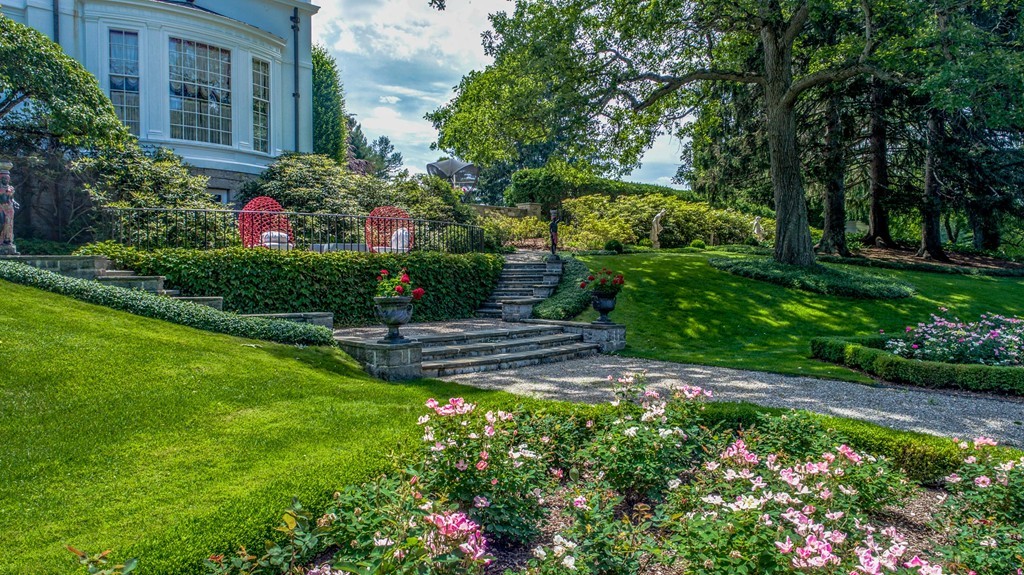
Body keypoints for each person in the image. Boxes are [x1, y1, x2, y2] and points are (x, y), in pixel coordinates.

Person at [0, 165, 18, 255]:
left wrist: (15, 203)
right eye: (4, 179)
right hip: (1, 207)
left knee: (9, 224)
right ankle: (1, 240)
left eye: (7, 179)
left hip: (9, 208)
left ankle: (8, 240)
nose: (6, 180)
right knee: (2, 223)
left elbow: (11, 199)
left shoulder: (10, 188)